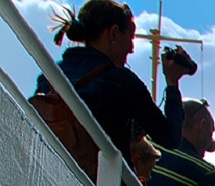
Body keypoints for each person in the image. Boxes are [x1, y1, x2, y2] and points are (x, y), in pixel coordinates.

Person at [42, 0, 189, 162]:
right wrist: (172, 83)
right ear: (113, 33)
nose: (131, 48)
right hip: (99, 182)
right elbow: (170, 137)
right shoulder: (122, 82)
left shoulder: (49, 77)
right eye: (130, 37)